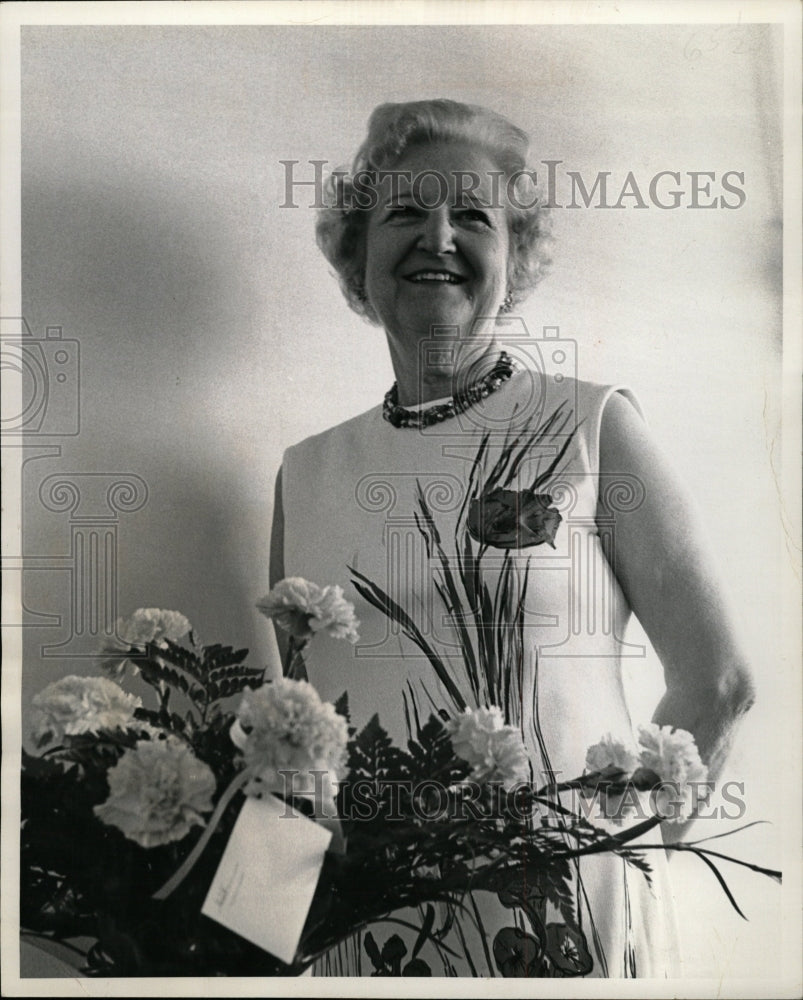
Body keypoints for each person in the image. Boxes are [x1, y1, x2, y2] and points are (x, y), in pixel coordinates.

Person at [269, 99, 755, 977]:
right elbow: (299, 738)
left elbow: (718, 684)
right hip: (372, 936)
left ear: (514, 255)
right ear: (356, 251)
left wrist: (617, 856)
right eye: (405, 213)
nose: (438, 237)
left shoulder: (590, 425)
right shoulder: (303, 472)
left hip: (562, 921)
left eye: (472, 216)